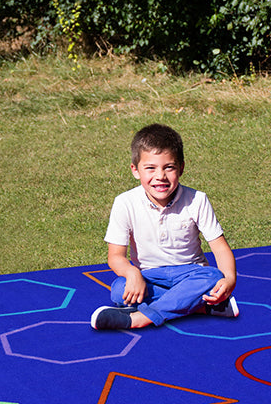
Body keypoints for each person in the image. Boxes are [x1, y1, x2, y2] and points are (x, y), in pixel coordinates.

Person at [91, 123, 238, 330]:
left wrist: (229, 279)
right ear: (135, 170)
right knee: (119, 289)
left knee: (214, 277)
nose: (160, 176)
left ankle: (143, 317)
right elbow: (115, 256)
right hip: (149, 276)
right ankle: (201, 306)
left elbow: (219, 247)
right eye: (150, 168)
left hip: (192, 274)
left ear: (181, 168)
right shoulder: (124, 202)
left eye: (168, 167)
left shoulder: (197, 200)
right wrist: (133, 274)